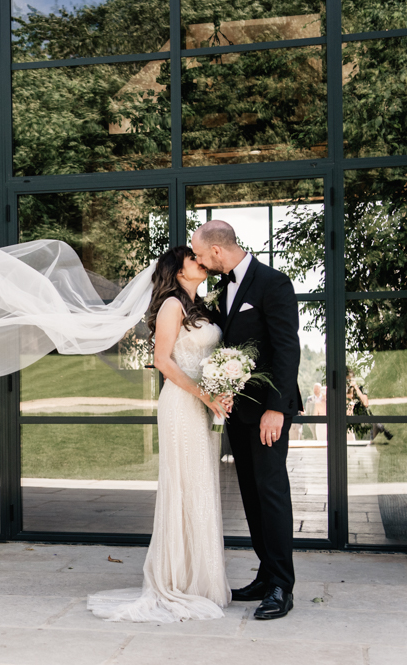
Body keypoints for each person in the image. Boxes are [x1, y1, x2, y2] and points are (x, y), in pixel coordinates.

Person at [88, 246, 231, 622]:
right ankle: (174, 578)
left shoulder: (199, 306)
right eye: (193, 259)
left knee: (201, 485)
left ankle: (200, 578)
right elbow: (164, 360)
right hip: (183, 405)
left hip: (203, 406)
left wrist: (223, 386)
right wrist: (205, 394)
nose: (201, 263)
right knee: (183, 486)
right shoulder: (171, 305)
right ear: (177, 269)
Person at [191, 220, 302, 621]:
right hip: (238, 411)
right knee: (252, 496)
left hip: (267, 413)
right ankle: (264, 572)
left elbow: (288, 350)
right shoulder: (224, 290)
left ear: (217, 251)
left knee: (271, 493)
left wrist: (277, 408)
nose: (199, 261)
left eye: (200, 254)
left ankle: (281, 586)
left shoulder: (274, 283)